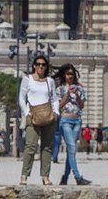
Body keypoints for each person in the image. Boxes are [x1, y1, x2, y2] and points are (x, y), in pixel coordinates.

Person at [17, 54, 58, 186]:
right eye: (38, 64)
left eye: (43, 65)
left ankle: (45, 176)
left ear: (46, 67)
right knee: (30, 145)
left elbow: (54, 98)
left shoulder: (49, 81)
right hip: (32, 115)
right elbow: (21, 97)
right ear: (34, 66)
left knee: (47, 147)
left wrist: (56, 112)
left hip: (48, 116)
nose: (41, 66)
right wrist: (27, 112)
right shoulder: (27, 79)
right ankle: (24, 175)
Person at [54, 64, 91, 186]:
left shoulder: (79, 88)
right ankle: (78, 177)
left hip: (77, 121)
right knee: (72, 148)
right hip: (65, 120)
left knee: (71, 150)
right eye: (67, 74)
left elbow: (82, 105)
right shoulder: (59, 89)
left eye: (71, 74)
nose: (70, 76)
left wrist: (78, 96)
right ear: (64, 75)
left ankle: (65, 177)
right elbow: (59, 106)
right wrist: (68, 95)